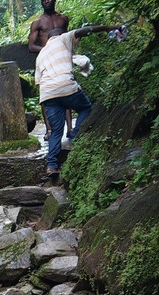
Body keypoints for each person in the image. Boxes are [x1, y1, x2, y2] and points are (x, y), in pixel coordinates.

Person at [35, 24, 122, 177]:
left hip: (47, 93)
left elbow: (39, 81)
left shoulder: (41, 54)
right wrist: (107, 27)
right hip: (66, 87)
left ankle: (52, 166)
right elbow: (86, 30)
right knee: (86, 108)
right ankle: (75, 136)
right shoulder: (64, 38)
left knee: (55, 131)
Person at [29, 0, 71, 140]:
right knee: (45, 95)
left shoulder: (63, 19)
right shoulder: (37, 22)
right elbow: (31, 46)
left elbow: (67, 38)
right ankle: (49, 130)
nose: (46, 1)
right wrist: (48, 50)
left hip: (61, 60)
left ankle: (70, 129)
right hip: (45, 61)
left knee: (66, 89)